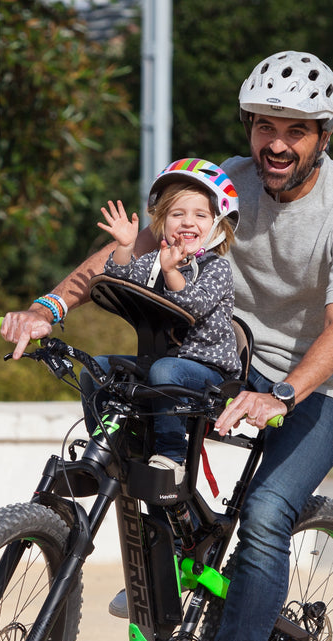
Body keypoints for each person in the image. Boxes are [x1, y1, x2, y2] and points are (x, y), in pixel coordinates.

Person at [0, 51, 333, 641]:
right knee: (131, 408)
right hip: (234, 357)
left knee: (270, 511)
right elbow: (127, 254)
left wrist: (279, 393)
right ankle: (171, 573)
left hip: (328, 380)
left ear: (323, 135)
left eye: (296, 130)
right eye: (264, 126)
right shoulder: (222, 186)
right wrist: (46, 307)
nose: (276, 143)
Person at [92, 157, 241, 480]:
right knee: (98, 368)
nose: (188, 222)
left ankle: (172, 456)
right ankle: (107, 447)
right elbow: (123, 278)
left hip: (208, 371)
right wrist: (124, 246)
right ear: (162, 221)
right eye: (177, 214)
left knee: (165, 369)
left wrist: (172, 271)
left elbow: (194, 304)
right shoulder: (154, 262)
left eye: (200, 215)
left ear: (218, 223)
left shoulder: (216, 269)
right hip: (162, 365)